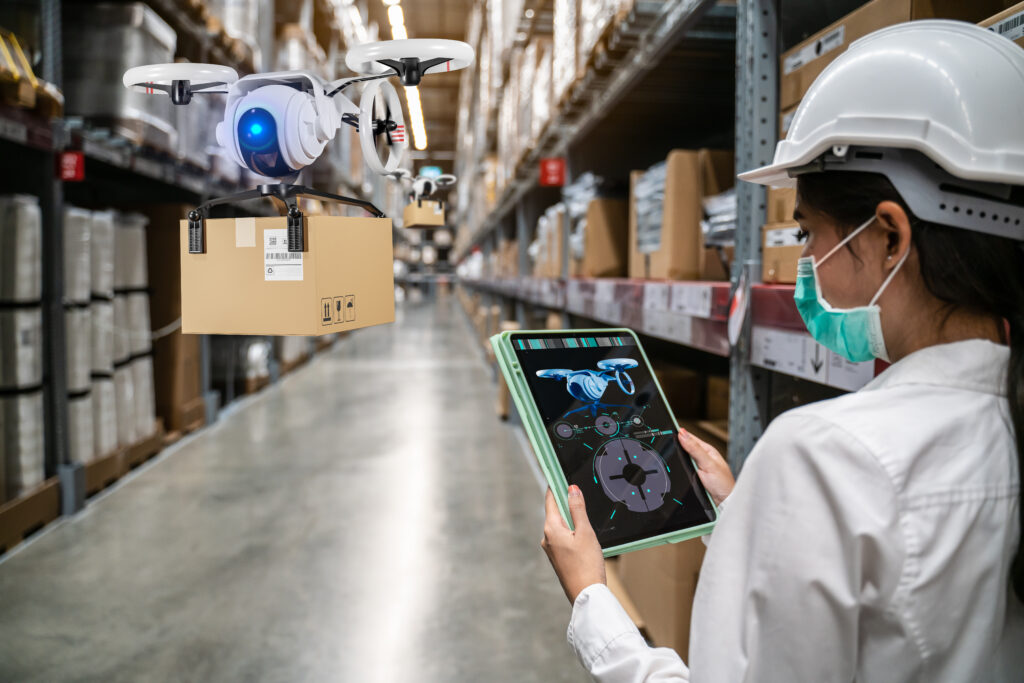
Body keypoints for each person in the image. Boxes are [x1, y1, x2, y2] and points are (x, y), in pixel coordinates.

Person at [540, 20, 1024, 682]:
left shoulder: (823, 455)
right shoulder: (999, 417)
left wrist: (591, 594)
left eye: (808, 232)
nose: (803, 261)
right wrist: (752, 516)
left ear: (889, 235)